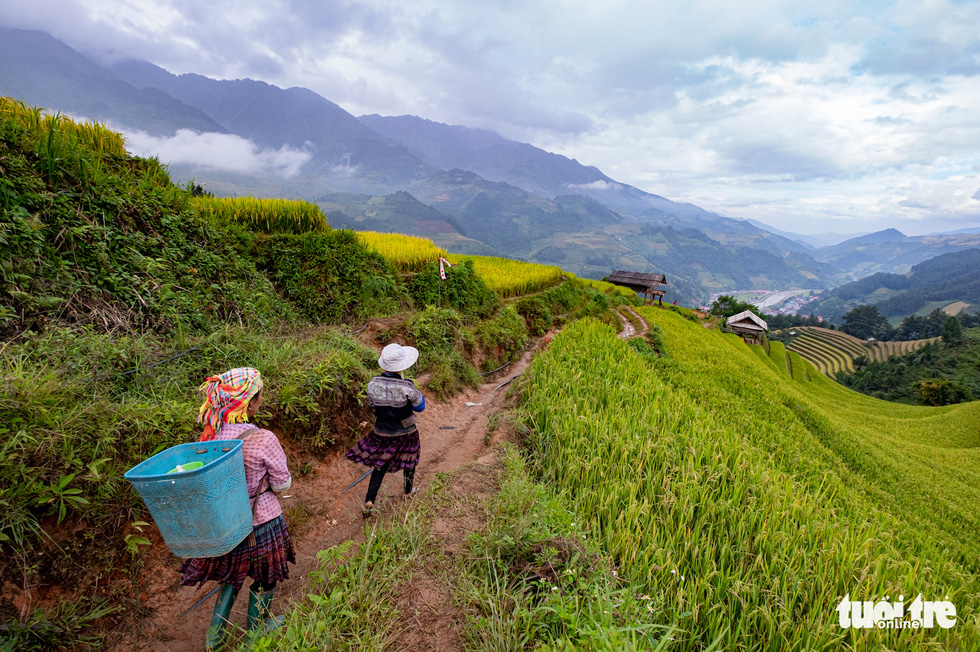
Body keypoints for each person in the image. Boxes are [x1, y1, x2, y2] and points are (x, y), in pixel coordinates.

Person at [178, 367, 294, 651]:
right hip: (262, 521)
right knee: (266, 576)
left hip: (226, 521)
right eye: (260, 397)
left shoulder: (209, 436)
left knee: (232, 575)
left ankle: (214, 637)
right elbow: (282, 485)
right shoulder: (263, 439)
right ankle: (256, 630)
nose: (261, 402)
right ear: (249, 403)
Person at [346, 343, 425, 516]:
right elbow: (420, 407)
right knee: (410, 459)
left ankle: (369, 499)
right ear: (402, 366)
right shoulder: (407, 386)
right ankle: (407, 491)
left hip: (381, 431)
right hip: (406, 431)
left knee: (380, 465)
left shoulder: (372, 384)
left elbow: (373, 405)